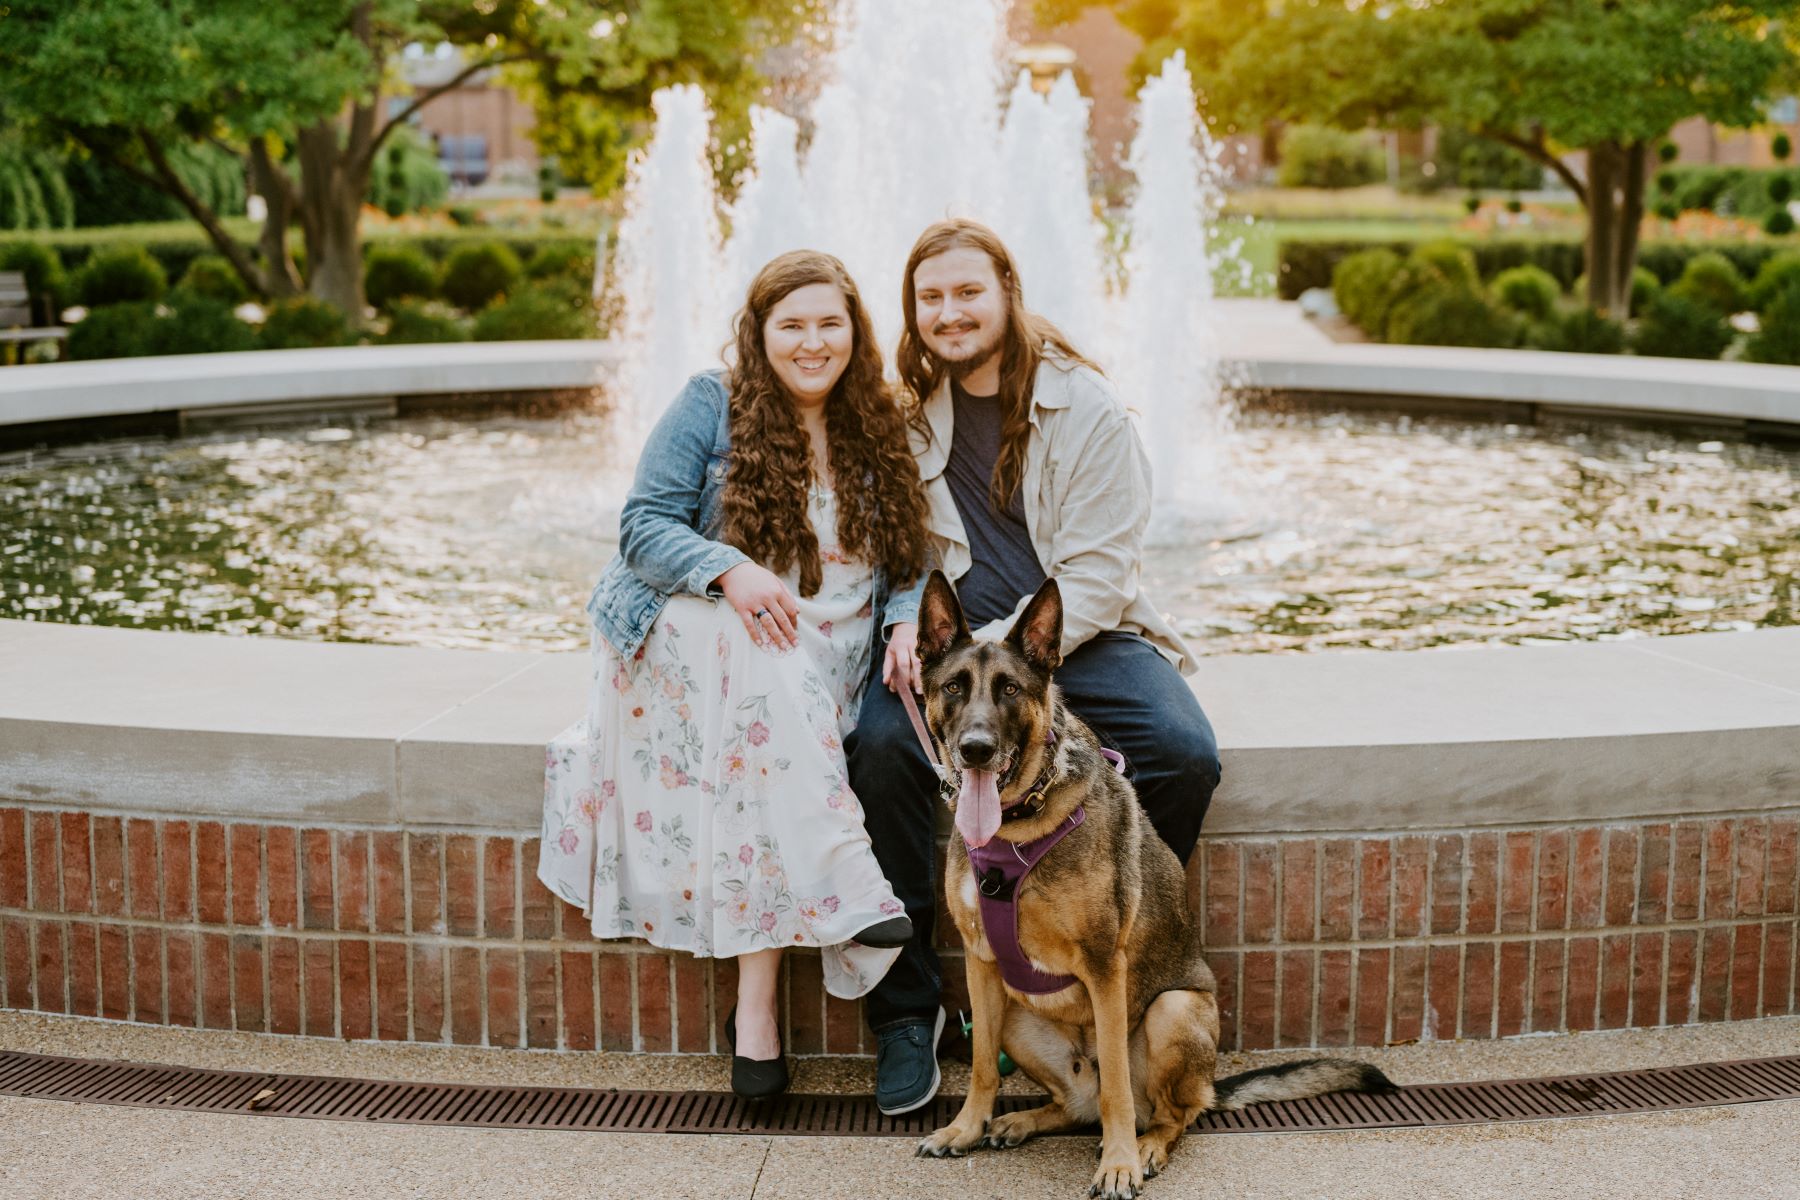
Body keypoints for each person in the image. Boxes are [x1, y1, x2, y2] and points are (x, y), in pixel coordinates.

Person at [845, 218, 1223, 1116]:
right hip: (954, 658)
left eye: (968, 291)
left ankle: (1090, 953)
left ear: (1008, 293)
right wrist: (912, 627)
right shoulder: (906, 415)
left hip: (1072, 641)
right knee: (881, 750)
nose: (950, 312)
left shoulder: (1084, 407)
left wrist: (1011, 656)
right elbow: (897, 553)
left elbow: (1099, 572)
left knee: (1181, 748)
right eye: (929, 298)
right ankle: (910, 1018)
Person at [539, 250, 932, 1100]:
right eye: (791, 324)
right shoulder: (709, 405)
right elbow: (641, 527)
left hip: (820, 655)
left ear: (854, 331)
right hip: (698, 642)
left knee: (772, 718)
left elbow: (912, 553)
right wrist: (730, 569)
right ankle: (853, 900)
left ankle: (756, 1010)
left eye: (830, 322)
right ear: (758, 334)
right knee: (765, 657)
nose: (812, 341)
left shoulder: (878, 420)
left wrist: (904, 617)